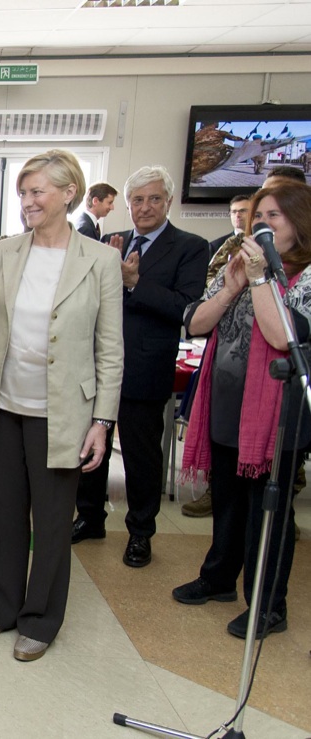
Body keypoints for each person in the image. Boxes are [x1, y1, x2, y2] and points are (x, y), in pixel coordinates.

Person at [0, 149, 123, 662]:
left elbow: (110, 349)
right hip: (2, 407)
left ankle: (41, 619)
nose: (27, 202)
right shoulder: (5, 251)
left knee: (51, 523)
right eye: (23, 193)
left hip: (63, 414)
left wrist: (102, 421)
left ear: (68, 193)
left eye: (36, 192)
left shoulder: (100, 260)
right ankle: (0, 607)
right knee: (4, 517)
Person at [173, 183, 311, 639]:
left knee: (266, 512)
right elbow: (194, 322)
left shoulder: (305, 275)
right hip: (227, 404)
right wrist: (232, 286)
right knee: (228, 500)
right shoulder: (238, 264)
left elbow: (283, 335)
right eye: (258, 217)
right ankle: (218, 579)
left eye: (274, 216)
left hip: (276, 417)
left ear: (299, 223)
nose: (262, 225)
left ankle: (269, 605)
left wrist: (258, 280)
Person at [73, 166, 208, 569]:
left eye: (154, 199)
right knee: (89, 449)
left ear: (168, 202)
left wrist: (133, 282)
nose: (145, 207)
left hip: (145, 368)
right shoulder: (110, 243)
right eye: (137, 200)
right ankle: (90, 517)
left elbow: (186, 309)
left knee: (141, 457)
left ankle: (140, 533)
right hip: (97, 367)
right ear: (127, 204)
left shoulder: (190, 247)